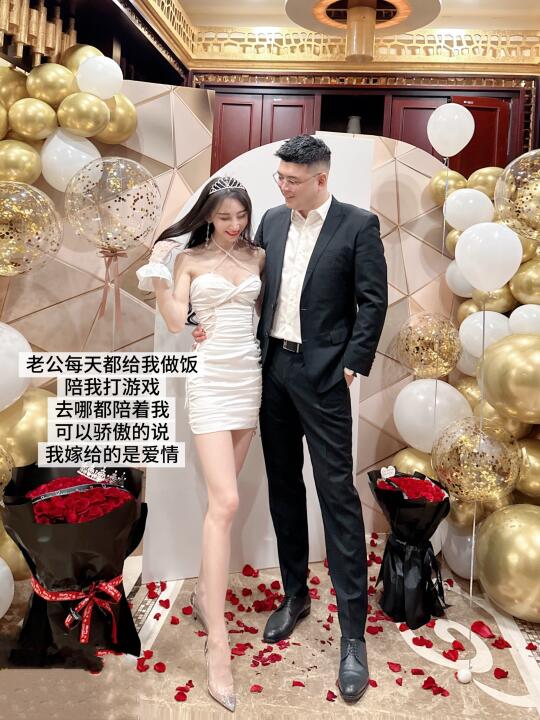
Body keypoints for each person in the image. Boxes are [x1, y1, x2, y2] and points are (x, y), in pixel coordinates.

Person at [194, 135, 388, 702]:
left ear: (321, 179)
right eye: (279, 177)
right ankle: (295, 594)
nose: (281, 187)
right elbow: (237, 281)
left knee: (337, 497)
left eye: (292, 180)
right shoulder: (273, 223)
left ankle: (352, 635)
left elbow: (373, 302)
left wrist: (351, 366)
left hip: (325, 378)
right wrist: (198, 318)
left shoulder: (358, 225)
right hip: (272, 370)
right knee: (283, 487)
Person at [137, 176, 265, 713]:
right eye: (224, 217)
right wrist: (159, 276)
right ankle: (218, 645)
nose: (234, 226)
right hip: (210, 380)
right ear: (208, 215)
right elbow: (174, 319)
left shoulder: (258, 256)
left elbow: (264, 315)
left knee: (222, 505)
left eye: (240, 216)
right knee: (225, 502)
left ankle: (203, 598)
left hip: (248, 377)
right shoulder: (189, 259)